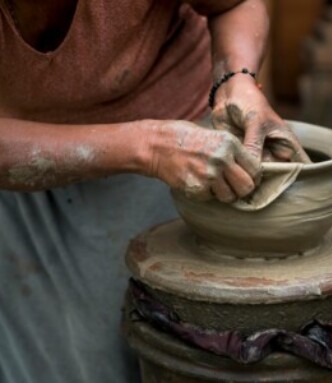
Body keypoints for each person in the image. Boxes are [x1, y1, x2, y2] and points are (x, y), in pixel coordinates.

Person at [0, 0, 309, 382]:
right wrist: (148, 146)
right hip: (18, 150)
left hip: (171, 114)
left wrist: (237, 80)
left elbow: (236, 3)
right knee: (54, 358)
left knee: (159, 342)